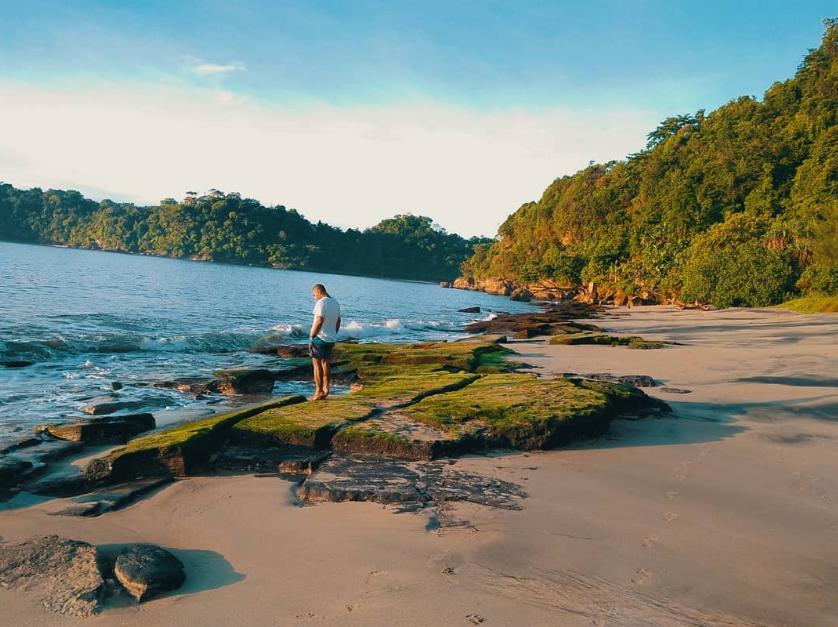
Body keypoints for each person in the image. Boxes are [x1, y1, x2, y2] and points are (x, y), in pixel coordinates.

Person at [309, 283, 341, 400]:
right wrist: (334, 333)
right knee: (325, 363)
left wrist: (312, 335)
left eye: (314, 295)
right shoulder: (335, 302)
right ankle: (326, 389)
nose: (314, 297)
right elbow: (338, 321)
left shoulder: (321, 302)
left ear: (318, 292)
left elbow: (319, 321)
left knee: (316, 364)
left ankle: (318, 391)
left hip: (320, 337)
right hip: (331, 338)